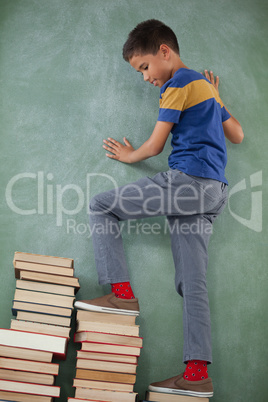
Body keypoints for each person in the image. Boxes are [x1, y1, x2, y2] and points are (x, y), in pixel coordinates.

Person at [75, 19, 244, 398]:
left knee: (101, 206)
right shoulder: (204, 88)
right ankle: (196, 373)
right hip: (214, 192)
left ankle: (121, 293)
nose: (146, 78)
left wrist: (129, 155)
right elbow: (238, 134)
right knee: (193, 284)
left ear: (164, 51)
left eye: (145, 67)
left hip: (188, 182)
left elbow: (153, 147)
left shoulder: (179, 84)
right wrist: (217, 98)